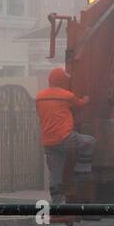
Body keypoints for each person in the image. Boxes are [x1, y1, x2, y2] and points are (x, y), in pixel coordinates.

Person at [35, 67, 94, 205]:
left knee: (55, 175)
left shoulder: (39, 97)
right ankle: (82, 171)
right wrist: (86, 99)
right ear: (61, 80)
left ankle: (56, 202)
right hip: (65, 138)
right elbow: (80, 105)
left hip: (48, 142)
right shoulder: (66, 95)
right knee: (89, 141)